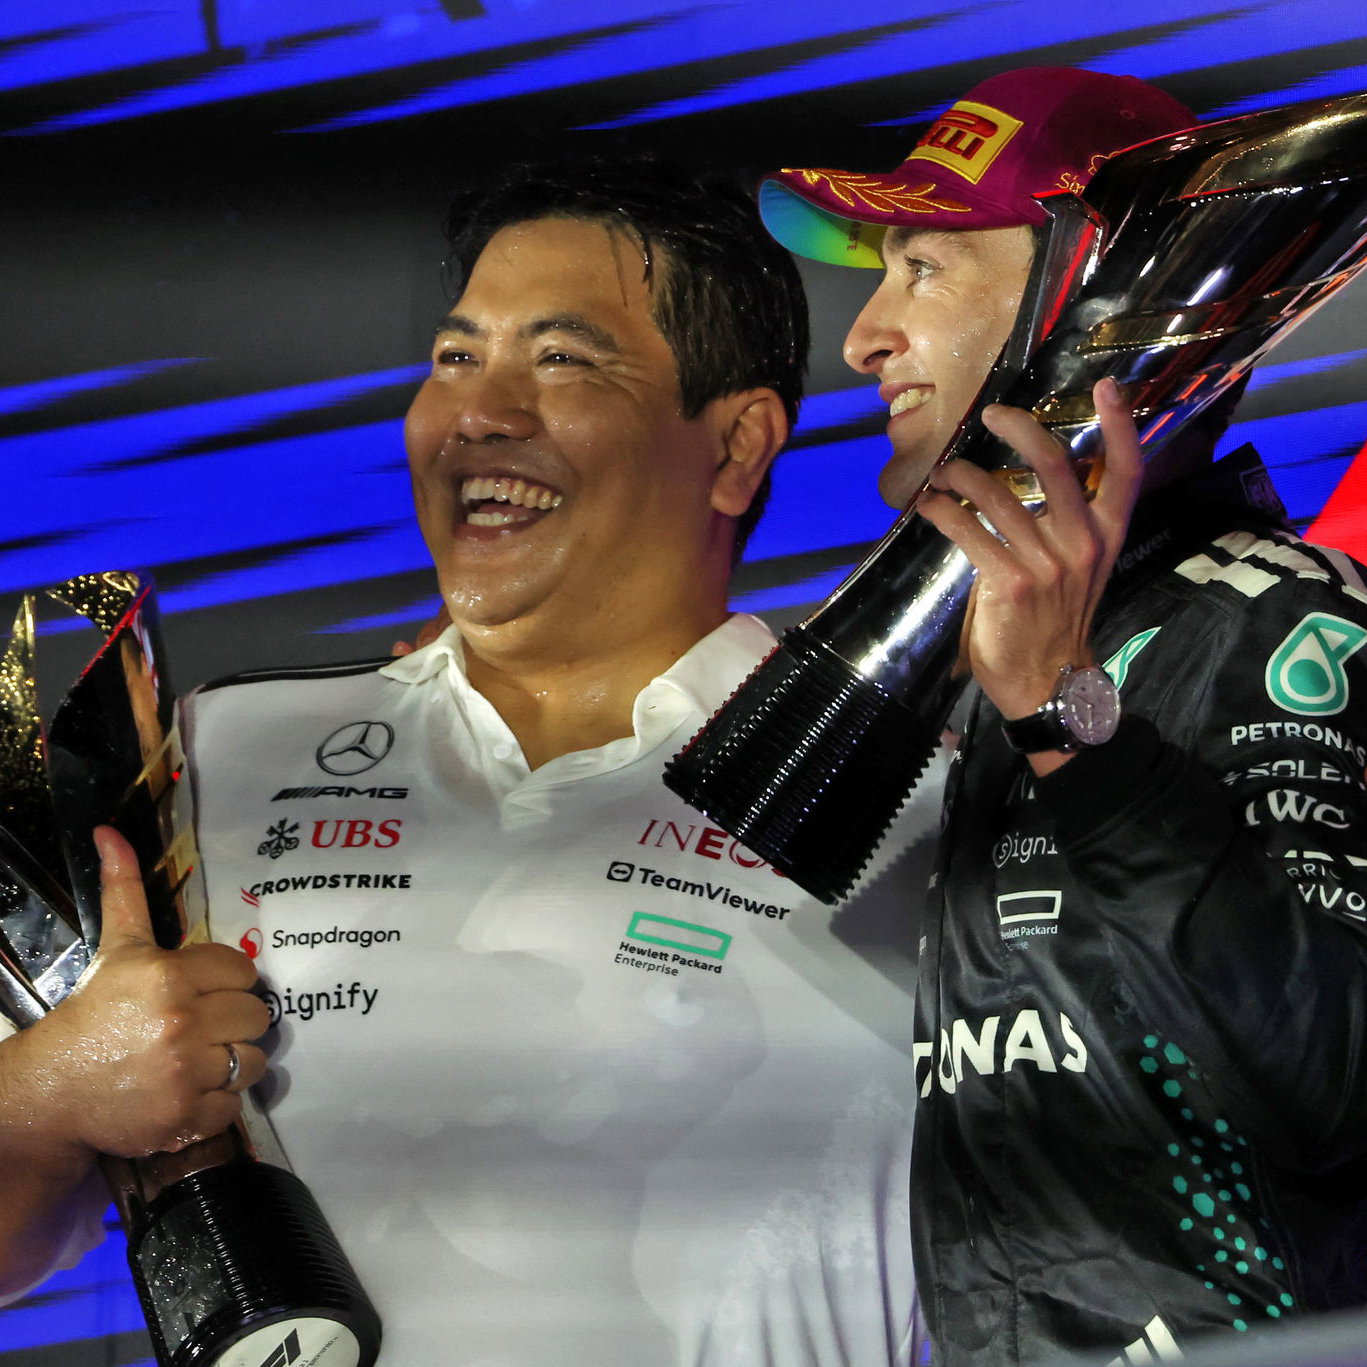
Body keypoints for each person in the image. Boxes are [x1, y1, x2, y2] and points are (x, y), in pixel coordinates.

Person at [0, 159, 940, 1366]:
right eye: (453, 359)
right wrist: (44, 1094)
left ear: (737, 445)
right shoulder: (200, 764)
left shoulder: (933, 797)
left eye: (560, 360)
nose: (478, 413)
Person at [760, 66, 1367, 1365]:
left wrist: (1070, 720)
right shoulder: (1011, 660)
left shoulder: (1279, 620)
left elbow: (1338, 1079)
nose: (864, 335)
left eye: (920, 270)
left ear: (1083, 308)